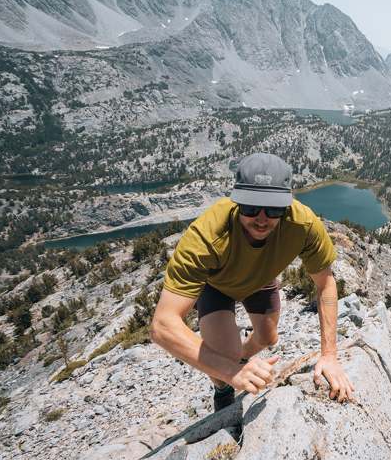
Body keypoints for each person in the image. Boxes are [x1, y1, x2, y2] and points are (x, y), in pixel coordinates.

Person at [150, 153, 355, 411]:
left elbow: (325, 283)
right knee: (227, 358)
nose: (260, 219)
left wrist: (329, 356)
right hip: (217, 285)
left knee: (268, 338)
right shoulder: (207, 235)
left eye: (273, 210)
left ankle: (241, 356)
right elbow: (162, 325)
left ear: (289, 202)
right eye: (249, 208)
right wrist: (230, 371)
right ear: (236, 201)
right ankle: (221, 389)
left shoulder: (303, 224)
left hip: (260, 278)